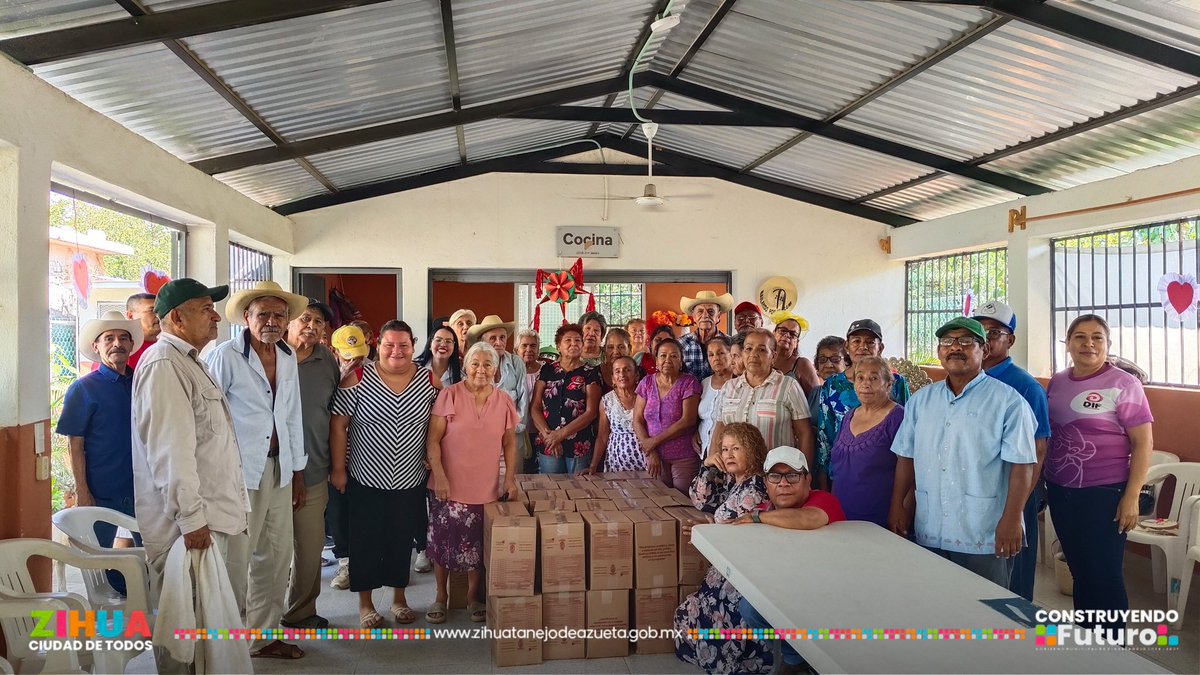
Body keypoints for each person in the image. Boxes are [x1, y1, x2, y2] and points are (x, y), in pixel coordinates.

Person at [130, 279, 250, 674]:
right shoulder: (164, 364)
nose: (216, 315)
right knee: (188, 642)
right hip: (190, 530)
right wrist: (191, 520)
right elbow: (170, 453)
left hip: (209, 522)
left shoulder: (190, 360)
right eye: (205, 308)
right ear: (177, 318)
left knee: (209, 639)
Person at [889, 318, 1036, 587]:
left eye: (966, 341)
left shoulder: (1009, 401)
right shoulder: (921, 400)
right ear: (939, 352)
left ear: (985, 351)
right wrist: (898, 505)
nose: (955, 347)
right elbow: (906, 456)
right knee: (934, 610)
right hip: (929, 527)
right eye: (947, 342)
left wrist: (1013, 518)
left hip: (984, 532)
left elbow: (1022, 465)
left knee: (986, 615)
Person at [205, 280, 308, 660]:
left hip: (279, 470)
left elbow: (291, 415)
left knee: (277, 555)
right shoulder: (226, 356)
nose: (271, 321)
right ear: (246, 317)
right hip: (238, 472)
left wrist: (298, 472)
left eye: (279, 315)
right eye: (262, 313)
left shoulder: (286, 356)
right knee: (236, 557)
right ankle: (224, 644)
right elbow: (210, 419)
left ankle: (263, 636)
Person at [1045, 314, 1153, 633]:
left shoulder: (1124, 383)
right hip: (1061, 490)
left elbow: (1143, 443)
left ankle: (1112, 654)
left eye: (1097, 337)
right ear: (1068, 344)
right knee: (1080, 572)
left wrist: (1131, 496)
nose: (1088, 343)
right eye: (1080, 336)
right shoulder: (1059, 381)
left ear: (1108, 345)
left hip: (1104, 494)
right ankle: (1088, 645)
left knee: (1104, 576)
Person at [331, 320, 439, 629]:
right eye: (390, 344)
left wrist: (435, 455)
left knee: (400, 541)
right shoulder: (358, 378)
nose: (397, 351)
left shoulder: (428, 380)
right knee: (364, 542)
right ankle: (365, 605)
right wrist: (338, 469)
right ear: (379, 345)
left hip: (410, 479)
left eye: (404, 345)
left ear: (413, 346)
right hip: (366, 477)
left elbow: (445, 417)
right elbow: (338, 424)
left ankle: (399, 600)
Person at [426, 342, 519, 624]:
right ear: (465, 365)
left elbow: (510, 444)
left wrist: (510, 479)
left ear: (496, 369)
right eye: (475, 363)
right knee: (443, 543)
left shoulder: (504, 400)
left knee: (478, 547)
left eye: (488, 364)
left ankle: (471, 598)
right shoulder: (449, 395)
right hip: (447, 486)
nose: (481, 370)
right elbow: (433, 440)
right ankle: (440, 597)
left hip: (485, 486)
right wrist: (440, 476)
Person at [736, 446, 846, 675]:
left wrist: (757, 517)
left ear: (807, 479)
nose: (783, 483)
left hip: (832, 594)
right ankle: (795, 657)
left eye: (792, 476)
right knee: (750, 607)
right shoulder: (765, 509)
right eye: (775, 476)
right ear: (766, 483)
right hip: (789, 586)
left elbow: (808, 518)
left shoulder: (823, 499)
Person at [57, 310, 144, 595]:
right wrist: (82, 490)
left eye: (123, 338)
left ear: (132, 345)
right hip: (101, 490)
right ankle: (115, 617)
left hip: (145, 488)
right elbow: (75, 444)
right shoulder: (83, 389)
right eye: (109, 338)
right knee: (100, 560)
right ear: (96, 347)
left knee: (152, 557)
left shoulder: (142, 383)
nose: (116, 343)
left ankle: (147, 613)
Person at [674, 423, 772, 674]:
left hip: (744, 573)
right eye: (725, 448)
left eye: (736, 448)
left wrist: (710, 524)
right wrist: (707, 466)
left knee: (712, 626)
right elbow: (700, 499)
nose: (728, 454)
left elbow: (725, 521)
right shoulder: (733, 480)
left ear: (752, 451)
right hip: (726, 565)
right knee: (686, 613)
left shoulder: (754, 488)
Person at [972, 301, 1051, 602]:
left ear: (1011, 340)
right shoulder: (968, 378)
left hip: (1012, 498)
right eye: (980, 332)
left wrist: (1014, 511)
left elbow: (1038, 450)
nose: (986, 340)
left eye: (994, 333)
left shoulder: (1025, 387)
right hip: (979, 495)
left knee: (1011, 586)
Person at [282, 300, 340, 630]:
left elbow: (335, 412)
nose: (312, 326)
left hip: (315, 468)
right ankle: (256, 621)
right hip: (269, 472)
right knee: (268, 552)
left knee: (310, 548)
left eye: (319, 322)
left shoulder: (326, 361)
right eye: (305, 319)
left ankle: (300, 612)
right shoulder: (269, 357)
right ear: (290, 322)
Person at [815, 319, 910, 490]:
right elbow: (824, 437)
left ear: (880, 348)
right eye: (856, 341)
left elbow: (908, 432)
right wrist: (823, 486)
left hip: (884, 474)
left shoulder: (897, 383)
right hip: (841, 473)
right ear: (847, 346)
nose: (862, 347)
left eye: (869, 342)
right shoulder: (832, 385)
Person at [709, 329, 815, 469]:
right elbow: (719, 429)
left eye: (762, 350)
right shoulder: (729, 388)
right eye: (748, 349)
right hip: (733, 476)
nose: (753, 354)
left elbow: (804, 433)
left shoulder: (788, 387)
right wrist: (712, 464)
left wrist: (803, 472)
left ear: (773, 356)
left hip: (775, 477)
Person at [830, 356, 903, 526]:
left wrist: (900, 510)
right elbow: (839, 468)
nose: (865, 384)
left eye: (874, 378)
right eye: (860, 378)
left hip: (879, 517)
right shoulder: (849, 416)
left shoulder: (897, 417)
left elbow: (909, 470)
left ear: (888, 384)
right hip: (841, 514)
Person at [326, 324, 371, 591]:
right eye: (348, 357)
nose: (355, 362)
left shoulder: (374, 371)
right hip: (336, 455)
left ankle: (369, 560)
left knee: (366, 512)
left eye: (360, 355)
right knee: (338, 511)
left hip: (368, 458)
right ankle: (345, 562)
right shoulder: (327, 373)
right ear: (334, 352)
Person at [530, 324, 602, 474]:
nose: (573, 344)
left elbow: (591, 412)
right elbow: (535, 407)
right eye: (568, 340)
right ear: (558, 346)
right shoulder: (547, 370)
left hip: (579, 445)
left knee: (580, 491)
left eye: (577, 340)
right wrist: (549, 436)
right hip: (549, 443)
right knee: (551, 491)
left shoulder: (590, 373)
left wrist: (560, 434)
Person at [635, 339, 702, 492]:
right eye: (663, 356)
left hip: (683, 455)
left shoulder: (689, 383)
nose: (667, 360)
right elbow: (637, 420)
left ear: (681, 361)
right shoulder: (646, 383)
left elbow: (688, 420)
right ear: (656, 361)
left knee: (682, 500)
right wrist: (650, 450)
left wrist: (654, 442)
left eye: (673, 356)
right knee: (658, 500)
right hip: (654, 456)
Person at [589, 356, 646, 473]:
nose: (622, 374)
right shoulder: (607, 400)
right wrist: (593, 466)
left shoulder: (646, 397)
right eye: (617, 371)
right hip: (617, 461)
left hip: (645, 460)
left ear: (636, 376)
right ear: (613, 379)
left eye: (627, 370)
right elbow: (602, 436)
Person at [678, 291, 732, 379]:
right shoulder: (681, 344)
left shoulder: (730, 343)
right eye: (700, 311)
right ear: (694, 317)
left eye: (711, 311)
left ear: (718, 316)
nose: (705, 315)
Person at [697, 335, 734, 456]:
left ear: (731, 355)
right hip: (702, 450)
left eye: (721, 353)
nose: (716, 358)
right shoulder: (704, 383)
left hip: (729, 452)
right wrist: (695, 433)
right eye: (711, 355)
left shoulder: (738, 384)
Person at [770, 310, 820, 396]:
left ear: (797, 343)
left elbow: (817, 398)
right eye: (783, 331)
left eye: (793, 334)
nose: (787, 335)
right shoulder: (763, 361)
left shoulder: (803, 364)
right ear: (773, 334)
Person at [515, 329, 543, 474]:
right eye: (524, 346)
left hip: (541, 430)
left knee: (538, 473)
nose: (529, 350)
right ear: (516, 349)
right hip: (518, 430)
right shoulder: (512, 371)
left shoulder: (545, 370)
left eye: (533, 346)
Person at [810, 335, 847, 415]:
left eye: (835, 359)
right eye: (822, 360)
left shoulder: (856, 393)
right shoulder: (815, 393)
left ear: (847, 362)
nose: (828, 365)